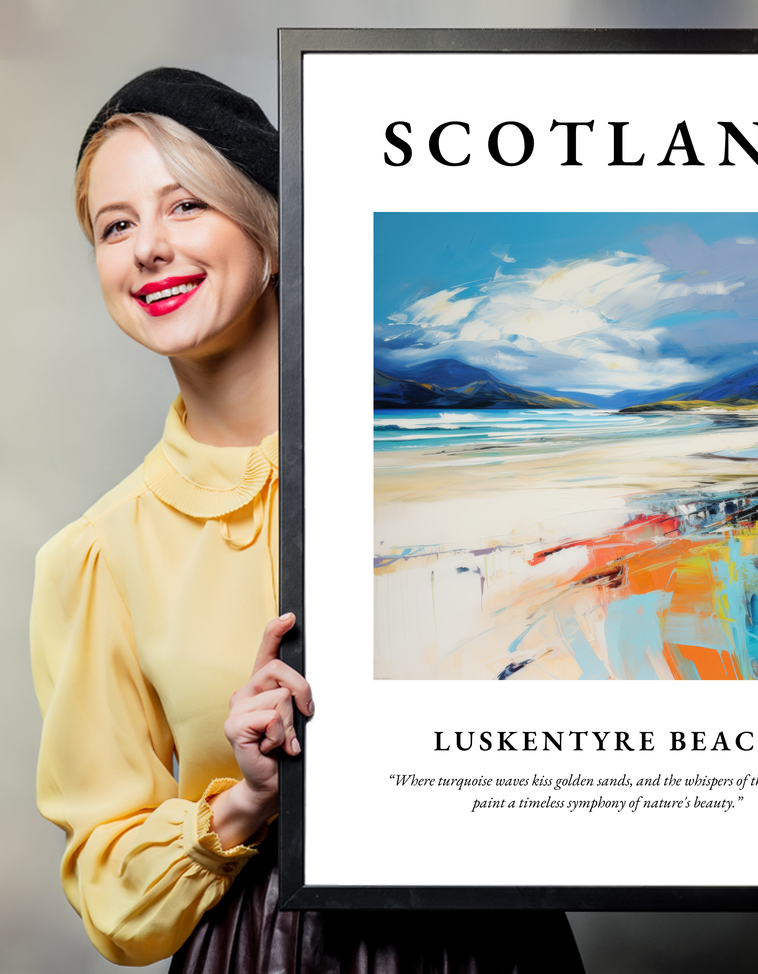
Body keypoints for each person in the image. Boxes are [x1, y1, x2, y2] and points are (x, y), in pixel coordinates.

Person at [30, 68, 585, 972]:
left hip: (490, 939)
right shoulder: (97, 554)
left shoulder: (449, 474)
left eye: (186, 205)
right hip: (263, 949)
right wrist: (246, 801)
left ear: (273, 231)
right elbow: (110, 893)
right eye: (115, 226)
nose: (149, 249)